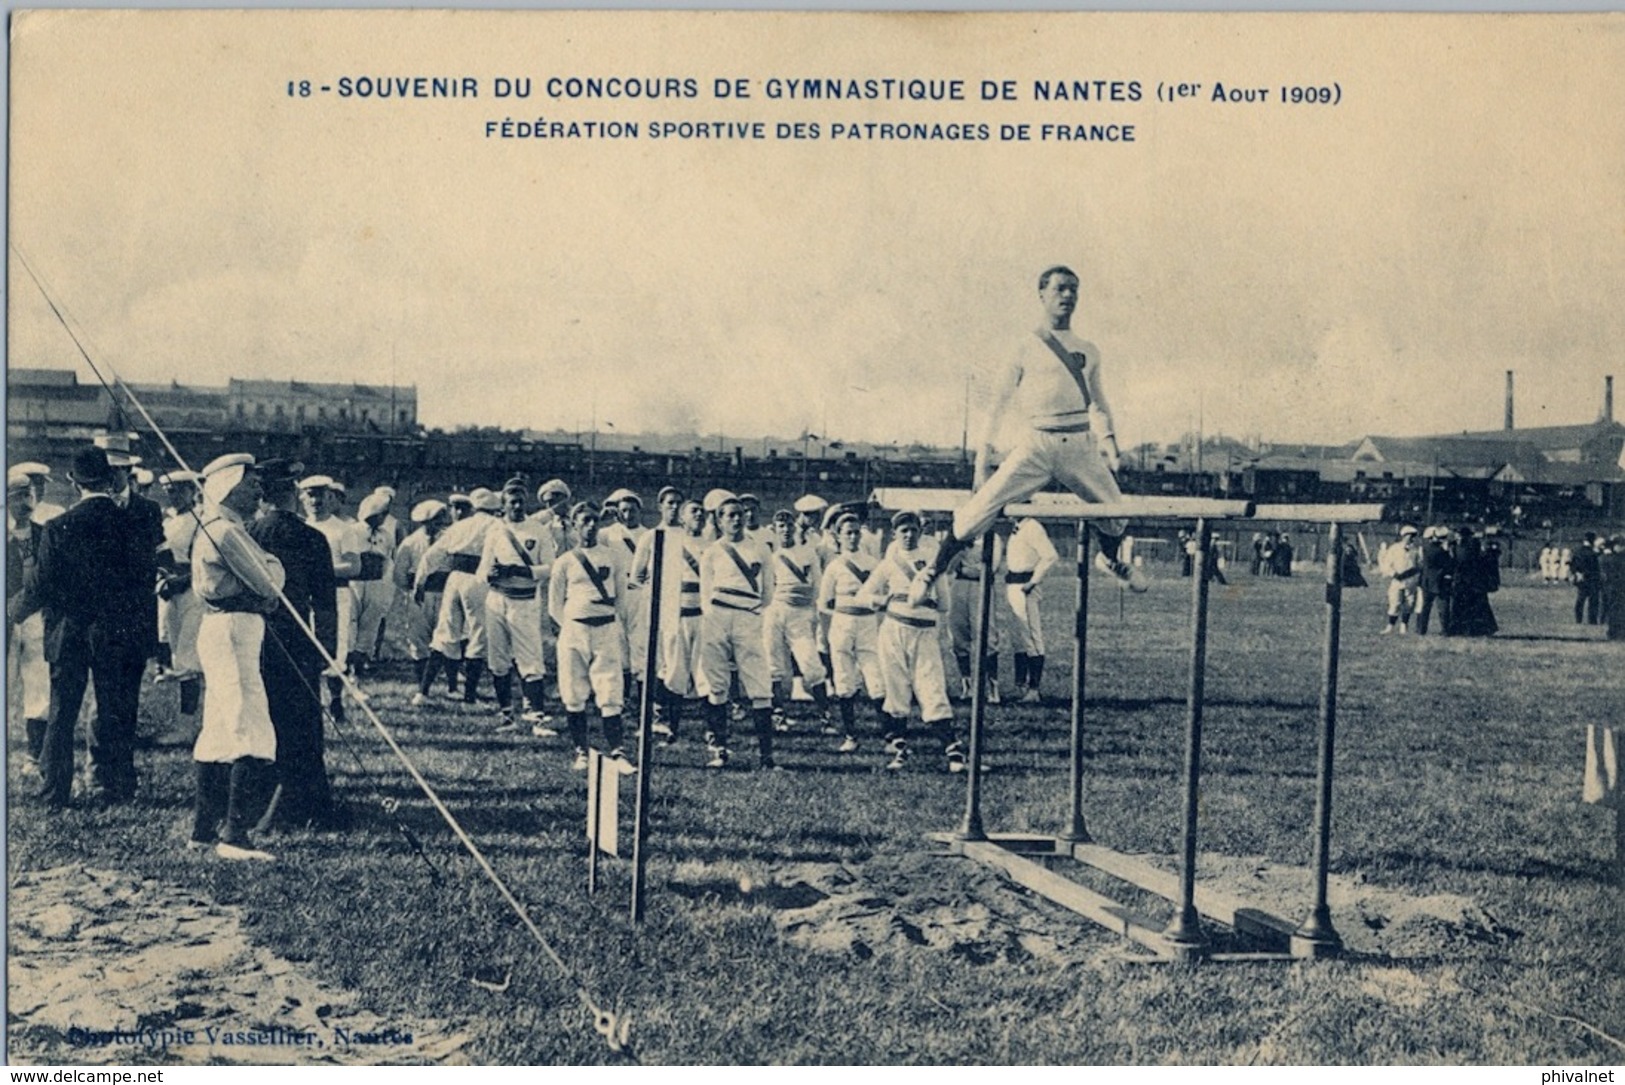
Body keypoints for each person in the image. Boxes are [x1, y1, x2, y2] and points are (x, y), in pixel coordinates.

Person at [907, 266, 1147, 607]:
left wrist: (1110, 443)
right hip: (1036, 444)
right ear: (1042, 294)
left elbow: (1098, 401)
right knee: (977, 511)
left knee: (1115, 514)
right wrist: (982, 461)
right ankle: (932, 571)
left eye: (1074, 290)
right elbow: (997, 404)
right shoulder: (1024, 346)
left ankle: (1108, 560)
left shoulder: (1088, 350)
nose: (1068, 296)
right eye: (1061, 289)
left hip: (1079, 444)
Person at [11, 447, 154, 807]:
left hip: (69, 631)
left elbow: (40, 586)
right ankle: (116, 787)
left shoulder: (59, 527)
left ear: (74, 483)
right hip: (115, 631)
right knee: (113, 709)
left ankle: (54, 791)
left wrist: (12, 611)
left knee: (62, 711)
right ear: (108, 479)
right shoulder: (131, 523)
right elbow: (143, 579)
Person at [188, 453, 286, 860]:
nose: (259, 489)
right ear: (228, 485)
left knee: (218, 727)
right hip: (233, 629)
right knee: (250, 725)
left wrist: (264, 584)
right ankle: (235, 836)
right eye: (251, 483)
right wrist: (273, 567)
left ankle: (203, 831)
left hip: (226, 628)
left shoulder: (224, 528)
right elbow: (270, 584)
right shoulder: (226, 532)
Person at [248, 458, 341, 832]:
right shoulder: (312, 538)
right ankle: (306, 804)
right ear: (291, 493)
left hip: (256, 637)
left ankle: (258, 801)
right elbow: (326, 603)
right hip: (299, 640)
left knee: (261, 717)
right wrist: (327, 649)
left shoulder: (248, 533)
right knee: (301, 723)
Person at [861, 510, 961, 773]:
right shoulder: (888, 562)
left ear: (920, 532)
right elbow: (864, 594)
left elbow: (945, 604)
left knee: (932, 687)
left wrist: (927, 604)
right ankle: (900, 751)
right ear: (894, 534)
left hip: (924, 633)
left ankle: (954, 752)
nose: (908, 535)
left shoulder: (932, 563)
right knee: (896, 688)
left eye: (912, 530)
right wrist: (885, 600)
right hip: (893, 631)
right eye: (902, 530)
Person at [696, 495, 778, 769]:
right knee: (716, 683)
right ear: (719, 521)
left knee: (759, 682)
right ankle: (719, 749)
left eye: (739, 513)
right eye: (729, 515)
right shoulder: (712, 552)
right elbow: (705, 594)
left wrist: (748, 611)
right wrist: (717, 618)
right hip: (717, 618)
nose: (735, 519)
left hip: (748, 617)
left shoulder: (761, 549)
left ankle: (766, 756)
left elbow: (768, 592)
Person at [548, 502, 631, 769]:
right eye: (584, 521)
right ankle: (581, 751)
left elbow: (621, 595)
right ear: (574, 525)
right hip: (575, 630)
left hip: (606, 629)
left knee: (610, 690)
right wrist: (573, 624)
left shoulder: (612, 556)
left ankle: (618, 752)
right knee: (573, 690)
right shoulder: (564, 561)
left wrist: (608, 622)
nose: (591, 525)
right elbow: (554, 604)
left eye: (595, 520)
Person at [417, 487, 504, 703]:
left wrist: (420, 581)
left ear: (474, 507)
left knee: (445, 631)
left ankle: (423, 692)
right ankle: (469, 695)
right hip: (478, 578)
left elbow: (432, 555)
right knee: (478, 634)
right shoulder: (498, 526)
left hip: (454, 579)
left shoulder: (461, 526)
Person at [481, 481, 555, 728]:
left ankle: (536, 715)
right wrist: (489, 574)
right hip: (497, 598)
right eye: (511, 502)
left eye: (520, 501)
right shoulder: (495, 531)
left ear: (527, 503)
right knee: (498, 658)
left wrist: (520, 570)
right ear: (503, 505)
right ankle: (506, 713)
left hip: (524, 601)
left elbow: (550, 568)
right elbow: (483, 567)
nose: (516, 506)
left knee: (530, 657)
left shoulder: (539, 530)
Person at [819, 510, 888, 754]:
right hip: (842, 624)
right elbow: (824, 602)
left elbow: (884, 594)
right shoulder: (834, 566)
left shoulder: (873, 564)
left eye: (856, 532)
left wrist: (869, 605)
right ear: (838, 536)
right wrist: (844, 612)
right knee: (844, 680)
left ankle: (890, 737)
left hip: (868, 625)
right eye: (847, 533)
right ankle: (850, 735)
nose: (853, 537)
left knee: (876, 677)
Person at [763, 509, 833, 732]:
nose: (785, 530)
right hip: (775, 612)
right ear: (774, 530)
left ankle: (826, 717)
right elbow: (765, 589)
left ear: (795, 528)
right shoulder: (769, 557)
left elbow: (819, 585)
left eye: (789, 525)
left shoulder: (808, 553)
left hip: (800, 614)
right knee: (774, 666)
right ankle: (778, 715)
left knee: (811, 665)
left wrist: (810, 611)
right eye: (780, 526)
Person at [299, 475, 363, 721]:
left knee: (336, 648)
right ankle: (310, 703)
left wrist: (321, 570)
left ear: (330, 497)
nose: (315, 500)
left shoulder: (343, 530)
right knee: (306, 645)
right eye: (310, 495)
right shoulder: (300, 528)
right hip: (304, 595)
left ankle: (336, 702)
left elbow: (354, 567)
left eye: (320, 495)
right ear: (302, 498)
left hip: (335, 594)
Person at [154, 470, 206, 728]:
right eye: (168, 492)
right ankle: (188, 721)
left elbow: (200, 559)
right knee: (174, 651)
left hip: (193, 590)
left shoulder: (201, 520)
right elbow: (160, 554)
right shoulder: (167, 521)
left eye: (177, 490)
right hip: (168, 590)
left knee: (188, 656)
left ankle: (187, 726)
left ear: (190, 491)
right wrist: (163, 579)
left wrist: (181, 580)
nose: (172, 496)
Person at [7, 468, 49, 765]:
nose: (26, 500)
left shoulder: (43, 534)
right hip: (5, 620)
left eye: (30, 493)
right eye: (19, 495)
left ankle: (36, 753)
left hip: (35, 619)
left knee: (39, 685)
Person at [397, 500, 451, 703]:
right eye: (433, 520)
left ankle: (451, 684)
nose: (437, 524)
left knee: (445, 636)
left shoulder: (449, 540)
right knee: (418, 638)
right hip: (419, 596)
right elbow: (399, 573)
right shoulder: (410, 543)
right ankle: (422, 687)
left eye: (440, 519)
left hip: (444, 592)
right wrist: (411, 591)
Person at [945, 528, 1004, 705]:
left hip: (981, 586)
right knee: (958, 635)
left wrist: (970, 567)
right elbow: (949, 567)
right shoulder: (960, 535)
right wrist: (960, 549)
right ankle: (967, 685)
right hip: (959, 586)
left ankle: (992, 687)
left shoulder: (994, 536)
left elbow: (991, 567)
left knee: (986, 635)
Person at [1004, 516, 1058, 701]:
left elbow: (1050, 556)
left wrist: (1034, 581)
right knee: (1017, 638)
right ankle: (1020, 686)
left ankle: (1034, 689)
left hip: (1025, 586)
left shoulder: (1032, 526)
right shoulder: (1018, 526)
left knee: (1031, 638)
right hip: (1012, 584)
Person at [349, 491, 397, 672]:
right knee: (350, 624)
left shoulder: (387, 535)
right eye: (381, 514)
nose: (384, 518)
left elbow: (388, 559)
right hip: (355, 584)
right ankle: (348, 666)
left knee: (369, 627)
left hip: (376, 584)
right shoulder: (353, 531)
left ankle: (360, 667)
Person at [1449, 526, 1498, 637]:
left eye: (1458, 535)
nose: (1456, 537)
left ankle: (1465, 629)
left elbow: (1462, 562)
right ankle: (1475, 629)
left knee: (1468, 606)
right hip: (1472, 582)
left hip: (1467, 582)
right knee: (1476, 606)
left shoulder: (1467, 547)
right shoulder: (1470, 545)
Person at [1378, 525, 1424, 635]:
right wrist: (1394, 573)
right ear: (1403, 536)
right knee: (1395, 602)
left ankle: (1404, 626)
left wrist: (1414, 572)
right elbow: (1386, 564)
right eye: (1409, 536)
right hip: (1397, 579)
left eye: (1413, 536)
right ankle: (1390, 626)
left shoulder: (1416, 549)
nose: (1411, 538)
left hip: (1411, 579)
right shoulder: (1394, 548)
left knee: (1409, 603)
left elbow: (1420, 563)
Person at [1415, 526, 1454, 635]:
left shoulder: (1426, 548)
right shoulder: (1440, 551)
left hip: (1427, 581)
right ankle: (1445, 630)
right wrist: (1447, 551)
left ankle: (1421, 629)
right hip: (1440, 581)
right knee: (1443, 607)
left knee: (1426, 607)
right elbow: (1450, 564)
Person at [1571, 532, 1602, 626]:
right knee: (1593, 601)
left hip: (1582, 578)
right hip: (1593, 578)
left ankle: (1578, 619)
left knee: (1580, 600)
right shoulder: (1594, 553)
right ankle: (1592, 620)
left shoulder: (1577, 551)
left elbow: (1572, 565)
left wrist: (1576, 573)